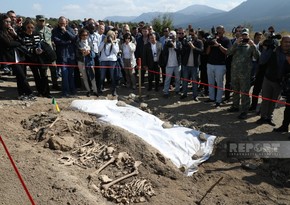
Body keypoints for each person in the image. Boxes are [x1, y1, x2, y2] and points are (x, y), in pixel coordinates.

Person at [227, 28, 260, 119]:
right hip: (235, 73)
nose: (244, 36)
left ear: (248, 36)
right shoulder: (236, 44)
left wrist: (253, 45)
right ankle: (235, 106)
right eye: (243, 35)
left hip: (245, 74)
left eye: (246, 35)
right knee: (235, 91)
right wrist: (235, 43)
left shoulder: (251, 46)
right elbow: (228, 52)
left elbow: (258, 57)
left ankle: (244, 111)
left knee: (245, 93)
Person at [256, 36, 290, 126]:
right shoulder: (274, 50)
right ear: (281, 42)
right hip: (268, 78)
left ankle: (269, 117)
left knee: (274, 101)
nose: (287, 44)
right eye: (285, 42)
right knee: (265, 99)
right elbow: (262, 61)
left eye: (289, 42)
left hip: (280, 82)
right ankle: (263, 117)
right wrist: (266, 49)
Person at [0, 14, 34, 100]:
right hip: (11, 58)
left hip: (19, 56)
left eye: (9, 21)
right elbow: (9, 44)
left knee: (21, 77)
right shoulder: (1, 32)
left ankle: (22, 94)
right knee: (21, 76)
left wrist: (14, 34)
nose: (8, 23)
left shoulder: (10, 31)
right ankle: (29, 93)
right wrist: (17, 43)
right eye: (6, 21)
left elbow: (22, 41)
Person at [19, 18, 52, 98]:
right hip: (30, 58)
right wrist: (34, 50)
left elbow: (41, 43)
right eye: (28, 27)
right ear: (25, 27)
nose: (30, 29)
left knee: (44, 75)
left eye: (32, 27)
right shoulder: (23, 36)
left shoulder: (37, 34)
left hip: (40, 58)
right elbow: (24, 48)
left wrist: (40, 49)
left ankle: (47, 92)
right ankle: (40, 91)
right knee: (36, 75)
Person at [205, 25, 231, 108]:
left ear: (223, 31)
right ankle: (211, 98)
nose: (218, 33)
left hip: (220, 65)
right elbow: (207, 53)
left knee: (220, 83)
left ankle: (218, 100)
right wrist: (210, 44)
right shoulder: (212, 39)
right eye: (217, 31)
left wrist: (219, 45)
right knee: (210, 82)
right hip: (210, 64)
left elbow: (227, 52)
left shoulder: (226, 40)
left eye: (220, 31)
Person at [52, 16, 77, 97]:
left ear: (66, 23)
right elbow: (56, 41)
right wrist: (67, 42)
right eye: (60, 23)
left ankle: (72, 91)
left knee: (71, 75)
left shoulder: (70, 29)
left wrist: (65, 31)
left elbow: (74, 38)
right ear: (58, 23)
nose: (62, 25)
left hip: (71, 55)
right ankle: (65, 92)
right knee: (64, 74)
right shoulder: (55, 30)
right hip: (62, 55)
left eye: (63, 23)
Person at [35, 14, 60, 90]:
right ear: (37, 21)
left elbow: (51, 40)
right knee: (44, 71)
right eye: (40, 21)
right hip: (42, 54)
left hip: (50, 52)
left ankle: (55, 84)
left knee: (53, 69)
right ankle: (45, 86)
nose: (42, 22)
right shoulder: (35, 30)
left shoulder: (49, 30)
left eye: (43, 20)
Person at [180, 28, 204, 101]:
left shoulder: (199, 42)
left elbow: (201, 51)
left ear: (195, 33)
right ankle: (184, 94)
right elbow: (182, 52)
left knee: (195, 81)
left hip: (194, 65)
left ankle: (195, 95)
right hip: (186, 64)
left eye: (192, 34)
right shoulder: (185, 41)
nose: (191, 35)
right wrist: (186, 44)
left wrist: (193, 47)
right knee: (185, 80)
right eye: (190, 34)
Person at [76, 28, 98, 97]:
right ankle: (88, 90)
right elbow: (78, 54)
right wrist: (84, 53)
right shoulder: (78, 43)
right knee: (84, 77)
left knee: (92, 77)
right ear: (80, 35)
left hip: (90, 62)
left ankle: (95, 91)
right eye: (83, 35)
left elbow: (93, 53)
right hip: (81, 62)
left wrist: (88, 52)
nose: (85, 36)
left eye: (86, 35)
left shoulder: (90, 42)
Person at [98, 30, 119, 96]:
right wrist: (104, 42)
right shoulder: (103, 42)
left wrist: (112, 43)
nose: (110, 37)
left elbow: (116, 51)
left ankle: (113, 90)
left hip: (112, 61)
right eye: (109, 36)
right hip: (103, 60)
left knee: (113, 76)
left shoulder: (115, 42)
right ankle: (100, 89)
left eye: (111, 36)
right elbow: (99, 50)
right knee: (102, 76)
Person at [162, 30, 182, 98]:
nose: (172, 38)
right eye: (170, 36)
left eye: (173, 36)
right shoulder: (167, 43)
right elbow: (164, 52)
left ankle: (177, 90)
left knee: (177, 79)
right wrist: (167, 45)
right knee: (167, 79)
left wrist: (174, 47)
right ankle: (166, 92)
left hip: (177, 64)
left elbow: (180, 52)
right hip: (169, 64)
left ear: (175, 36)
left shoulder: (179, 43)